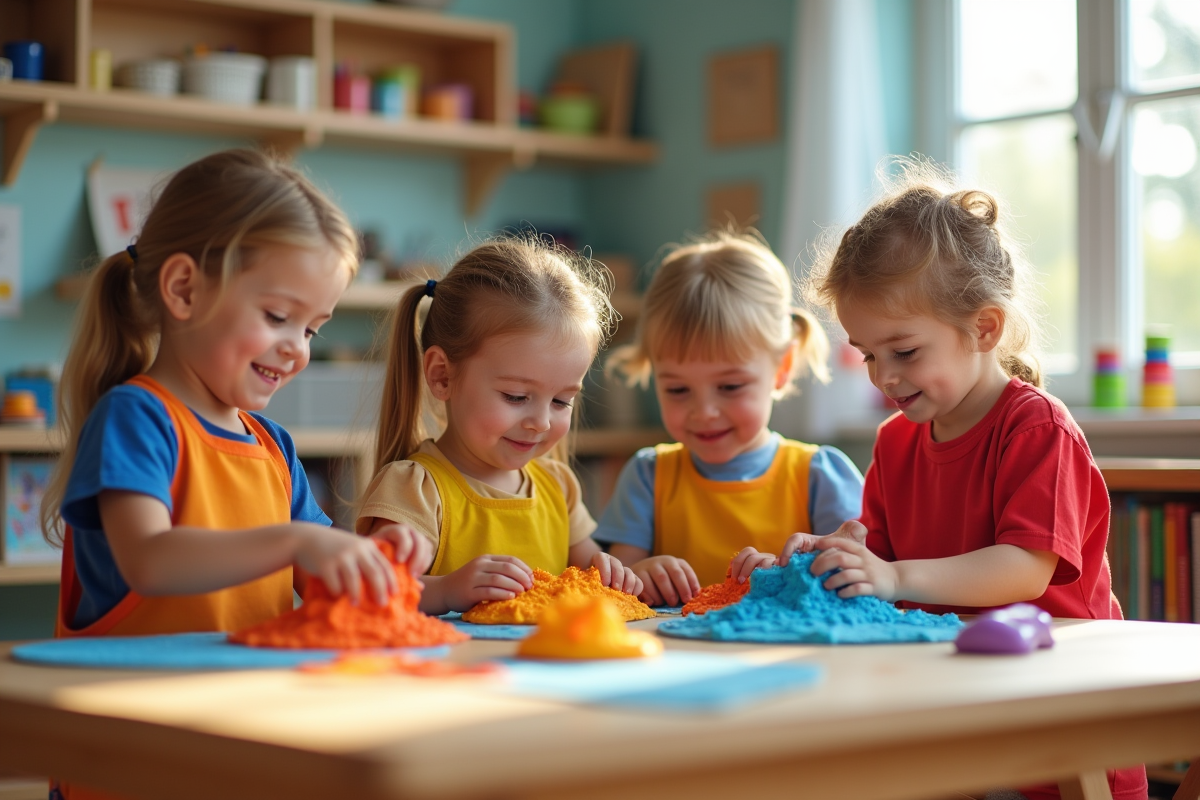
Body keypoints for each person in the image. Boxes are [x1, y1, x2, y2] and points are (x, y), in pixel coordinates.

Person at [792, 161, 1145, 800]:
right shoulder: (894, 443)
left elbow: (1024, 570)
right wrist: (830, 562)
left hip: (1060, 726)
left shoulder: (1036, 430)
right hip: (951, 716)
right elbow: (881, 570)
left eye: (904, 352)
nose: (883, 377)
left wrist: (896, 576)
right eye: (868, 354)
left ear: (983, 328)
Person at [42, 149, 432, 648]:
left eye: (312, 329)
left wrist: (377, 561)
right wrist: (298, 540)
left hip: (243, 700)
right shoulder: (135, 418)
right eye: (277, 317)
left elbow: (322, 582)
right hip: (134, 708)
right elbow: (150, 560)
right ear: (184, 290)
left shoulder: (274, 448)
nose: (297, 348)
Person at [356, 238, 642, 616]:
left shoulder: (559, 489)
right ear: (442, 375)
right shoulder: (415, 490)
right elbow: (371, 593)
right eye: (516, 396)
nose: (540, 421)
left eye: (561, 401)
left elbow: (595, 581)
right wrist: (445, 591)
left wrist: (624, 574)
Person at [593, 230, 865, 607]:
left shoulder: (820, 475)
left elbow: (859, 581)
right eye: (677, 390)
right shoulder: (648, 476)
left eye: (730, 387)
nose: (704, 412)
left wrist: (788, 577)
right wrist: (643, 574)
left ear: (781, 367)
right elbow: (616, 587)